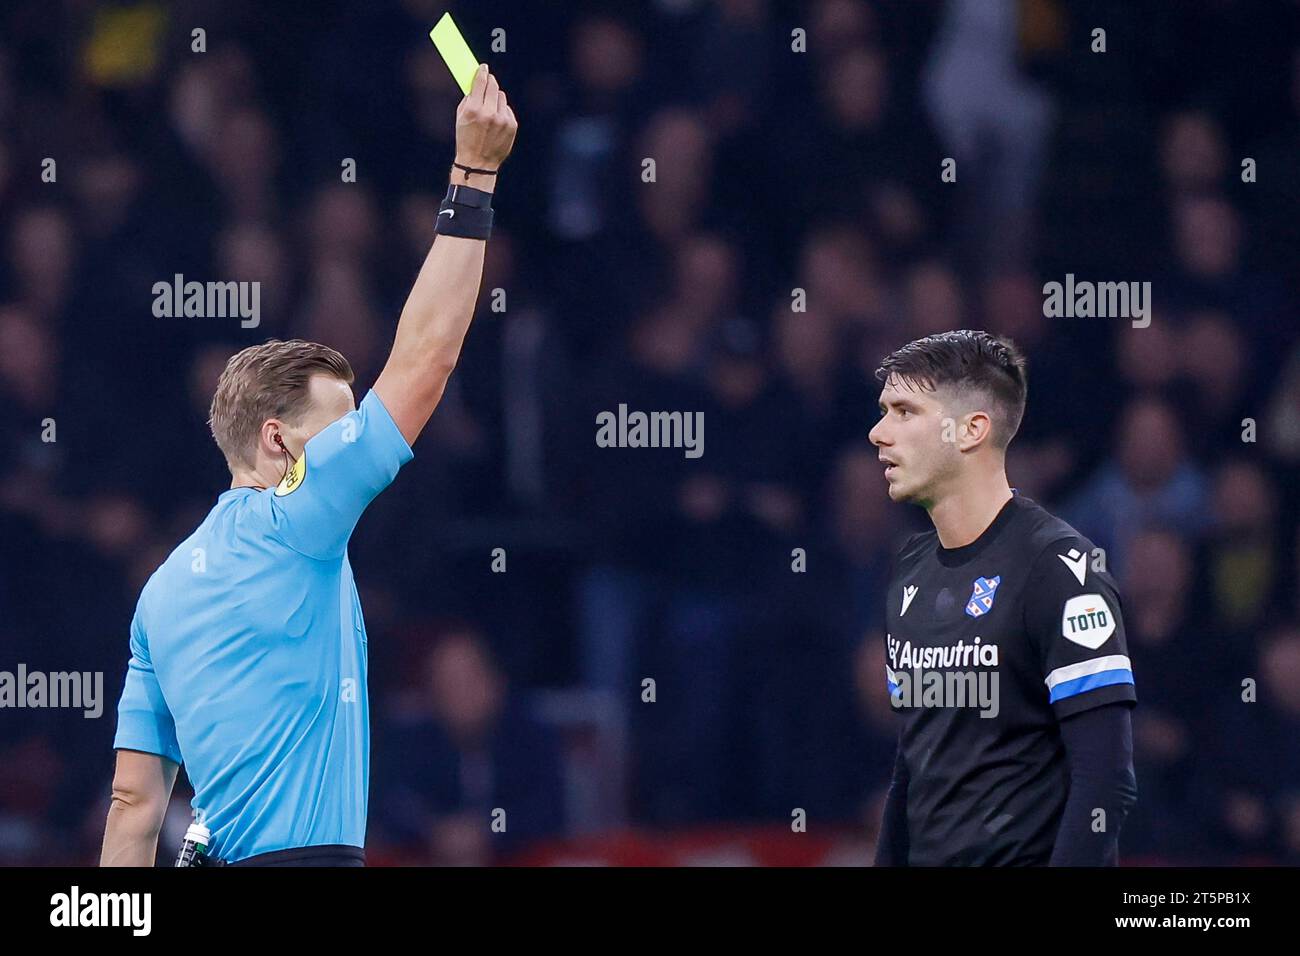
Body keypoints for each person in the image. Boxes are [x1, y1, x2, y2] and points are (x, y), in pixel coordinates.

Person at [99, 65, 518, 867]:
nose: (357, 441)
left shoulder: (160, 592)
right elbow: (425, 362)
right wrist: (475, 175)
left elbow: (132, 806)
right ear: (278, 441)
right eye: (341, 427)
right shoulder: (299, 515)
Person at [868, 330, 1137, 866]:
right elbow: (914, 766)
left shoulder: (1059, 571)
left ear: (971, 429)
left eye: (904, 411)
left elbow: (1105, 781)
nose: (878, 433)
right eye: (883, 411)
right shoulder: (909, 572)